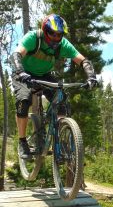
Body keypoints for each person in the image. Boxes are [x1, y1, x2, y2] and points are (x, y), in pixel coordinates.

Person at [9, 14, 98, 159]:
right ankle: (22, 141)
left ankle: (59, 139)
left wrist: (91, 76)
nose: (56, 37)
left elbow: (83, 60)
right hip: (23, 74)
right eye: (52, 33)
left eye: (60, 34)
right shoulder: (34, 38)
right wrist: (20, 71)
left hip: (44, 74)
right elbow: (16, 54)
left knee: (62, 101)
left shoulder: (63, 45)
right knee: (24, 101)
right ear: (45, 30)